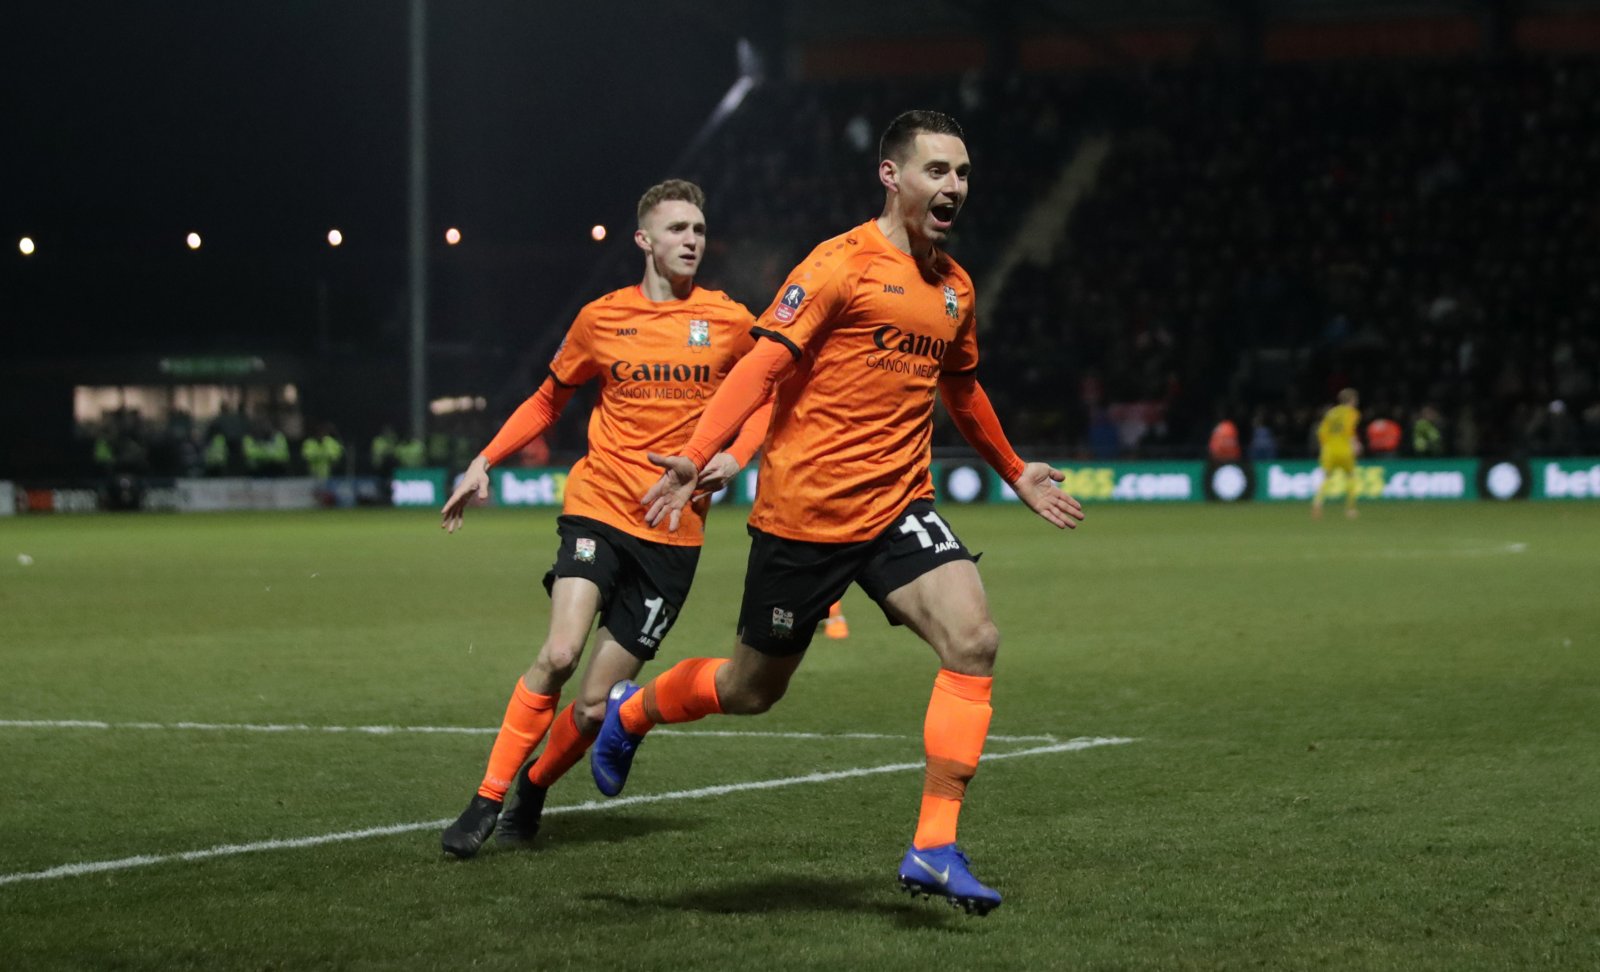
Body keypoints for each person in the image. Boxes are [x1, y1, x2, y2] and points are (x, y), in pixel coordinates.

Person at [593, 111, 1085, 916]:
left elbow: (961, 390)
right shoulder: (839, 264)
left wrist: (1015, 469)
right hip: (807, 514)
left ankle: (932, 847)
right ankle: (633, 710)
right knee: (752, 690)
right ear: (892, 176)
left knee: (975, 639)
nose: (954, 186)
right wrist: (699, 447)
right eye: (937, 170)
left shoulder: (955, 287)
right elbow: (761, 364)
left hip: (899, 506)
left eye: (962, 172)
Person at [438, 179, 773, 859]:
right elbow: (546, 399)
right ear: (644, 241)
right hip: (598, 506)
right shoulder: (600, 319)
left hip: (675, 533)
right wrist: (485, 458)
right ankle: (487, 797)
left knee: (594, 707)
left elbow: (771, 392)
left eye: (699, 231)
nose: (691, 242)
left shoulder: (731, 320)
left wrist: (737, 456)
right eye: (677, 229)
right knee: (559, 653)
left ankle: (534, 783)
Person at [1313, 387, 1361, 519]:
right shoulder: (1352, 413)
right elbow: (1348, 430)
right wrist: (1355, 444)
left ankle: (1318, 502)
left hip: (1328, 451)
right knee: (1351, 476)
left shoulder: (1331, 413)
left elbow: (1321, 432)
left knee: (1326, 478)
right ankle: (1350, 509)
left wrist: (1325, 448)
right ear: (1352, 400)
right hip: (1344, 450)